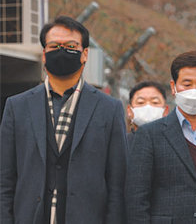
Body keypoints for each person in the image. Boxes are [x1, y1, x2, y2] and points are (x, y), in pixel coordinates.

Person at [0, 15, 127, 223]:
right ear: (43, 54)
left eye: (70, 45)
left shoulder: (109, 109)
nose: (61, 51)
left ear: (84, 54)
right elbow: (4, 180)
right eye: (54, 45)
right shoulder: (17, 106)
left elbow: (117, 184)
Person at [126, 50, 196, 223]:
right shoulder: (149, 135)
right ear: (173, 87)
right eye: (187, 83)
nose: (194, 90)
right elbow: (137, 199)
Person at [126, 81, 169, 147]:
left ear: (166, 111)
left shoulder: (176, 144)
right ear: (129, 111)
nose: (148, 107)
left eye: (155, 102)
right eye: (140, 102)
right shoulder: (121, 144)